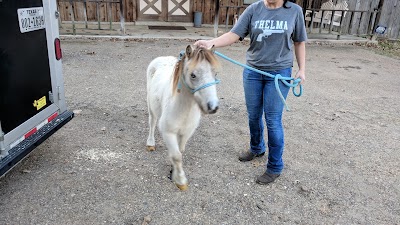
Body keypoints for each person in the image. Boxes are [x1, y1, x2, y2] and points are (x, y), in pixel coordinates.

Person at [194, 0, 307, 184]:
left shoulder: (294, 11)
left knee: (272, 119)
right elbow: (234, 34)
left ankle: (275, 166)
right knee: (253, 115)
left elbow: (299, 41)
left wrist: (302, 69)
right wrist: (211, 43)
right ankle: (257, 148)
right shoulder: (254, 9)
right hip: (253, 71)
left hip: (279, 74)